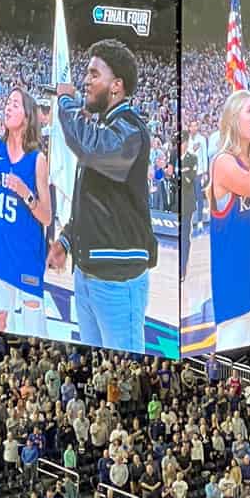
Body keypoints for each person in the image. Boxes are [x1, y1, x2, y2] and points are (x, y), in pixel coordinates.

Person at [54, 39, 156, 352]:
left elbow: (91, 147)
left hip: (117, 281)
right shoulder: (105, 127)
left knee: (125, 377)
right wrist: (67, 240)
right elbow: (96, 202)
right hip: (87, 274)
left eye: (93, 74)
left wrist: (67, 104)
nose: (85, 80)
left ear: (116, 86)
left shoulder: (130, 130)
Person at [0, 85, 52, 334]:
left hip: (28, 251)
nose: (8, 107)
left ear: (27, 117)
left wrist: (25, 193)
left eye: (15, 104)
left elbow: (47, 217)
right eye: (7, 102)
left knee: (32, 325)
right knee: (2, 321)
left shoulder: (37, 159)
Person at [208, 88, 250, 349]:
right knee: (230, 370)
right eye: (249, 110)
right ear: (233, 120)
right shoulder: (222, 162)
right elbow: (248, 186)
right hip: (233, 285)